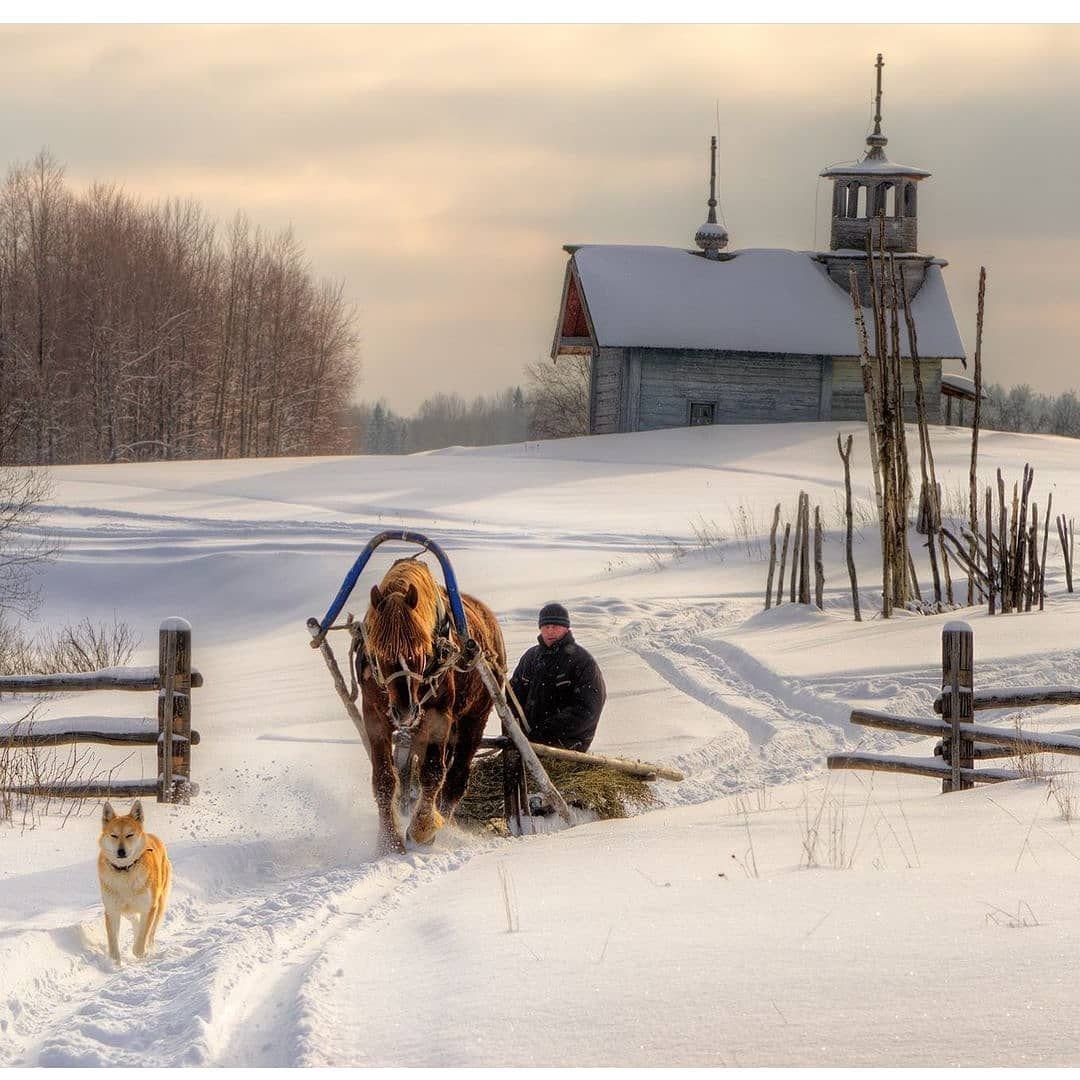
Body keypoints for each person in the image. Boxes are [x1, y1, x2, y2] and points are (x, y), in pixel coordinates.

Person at [508, 602, 606, 752]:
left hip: (567, 744)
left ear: (566, 628)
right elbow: (512, 696)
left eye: (555, 626)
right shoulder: (530, 658)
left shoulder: (582, 661)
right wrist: (515, 730)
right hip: (528, 740)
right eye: (546, 627)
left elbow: (588, 710)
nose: (550, 631)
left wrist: (545, 732)